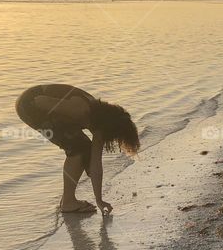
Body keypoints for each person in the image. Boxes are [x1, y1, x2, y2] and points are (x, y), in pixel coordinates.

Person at [15, 84, 139, 214]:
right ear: (110, 126)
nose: (112, 139)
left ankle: (67, 200)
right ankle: (68, 203)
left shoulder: (100, 125)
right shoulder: (79, 109)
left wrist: (99, 200)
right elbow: (41, 101)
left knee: (84, 148)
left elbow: (96, 165)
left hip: (45, 106)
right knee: (78, 148)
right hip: (29, 104)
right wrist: (59, 124)